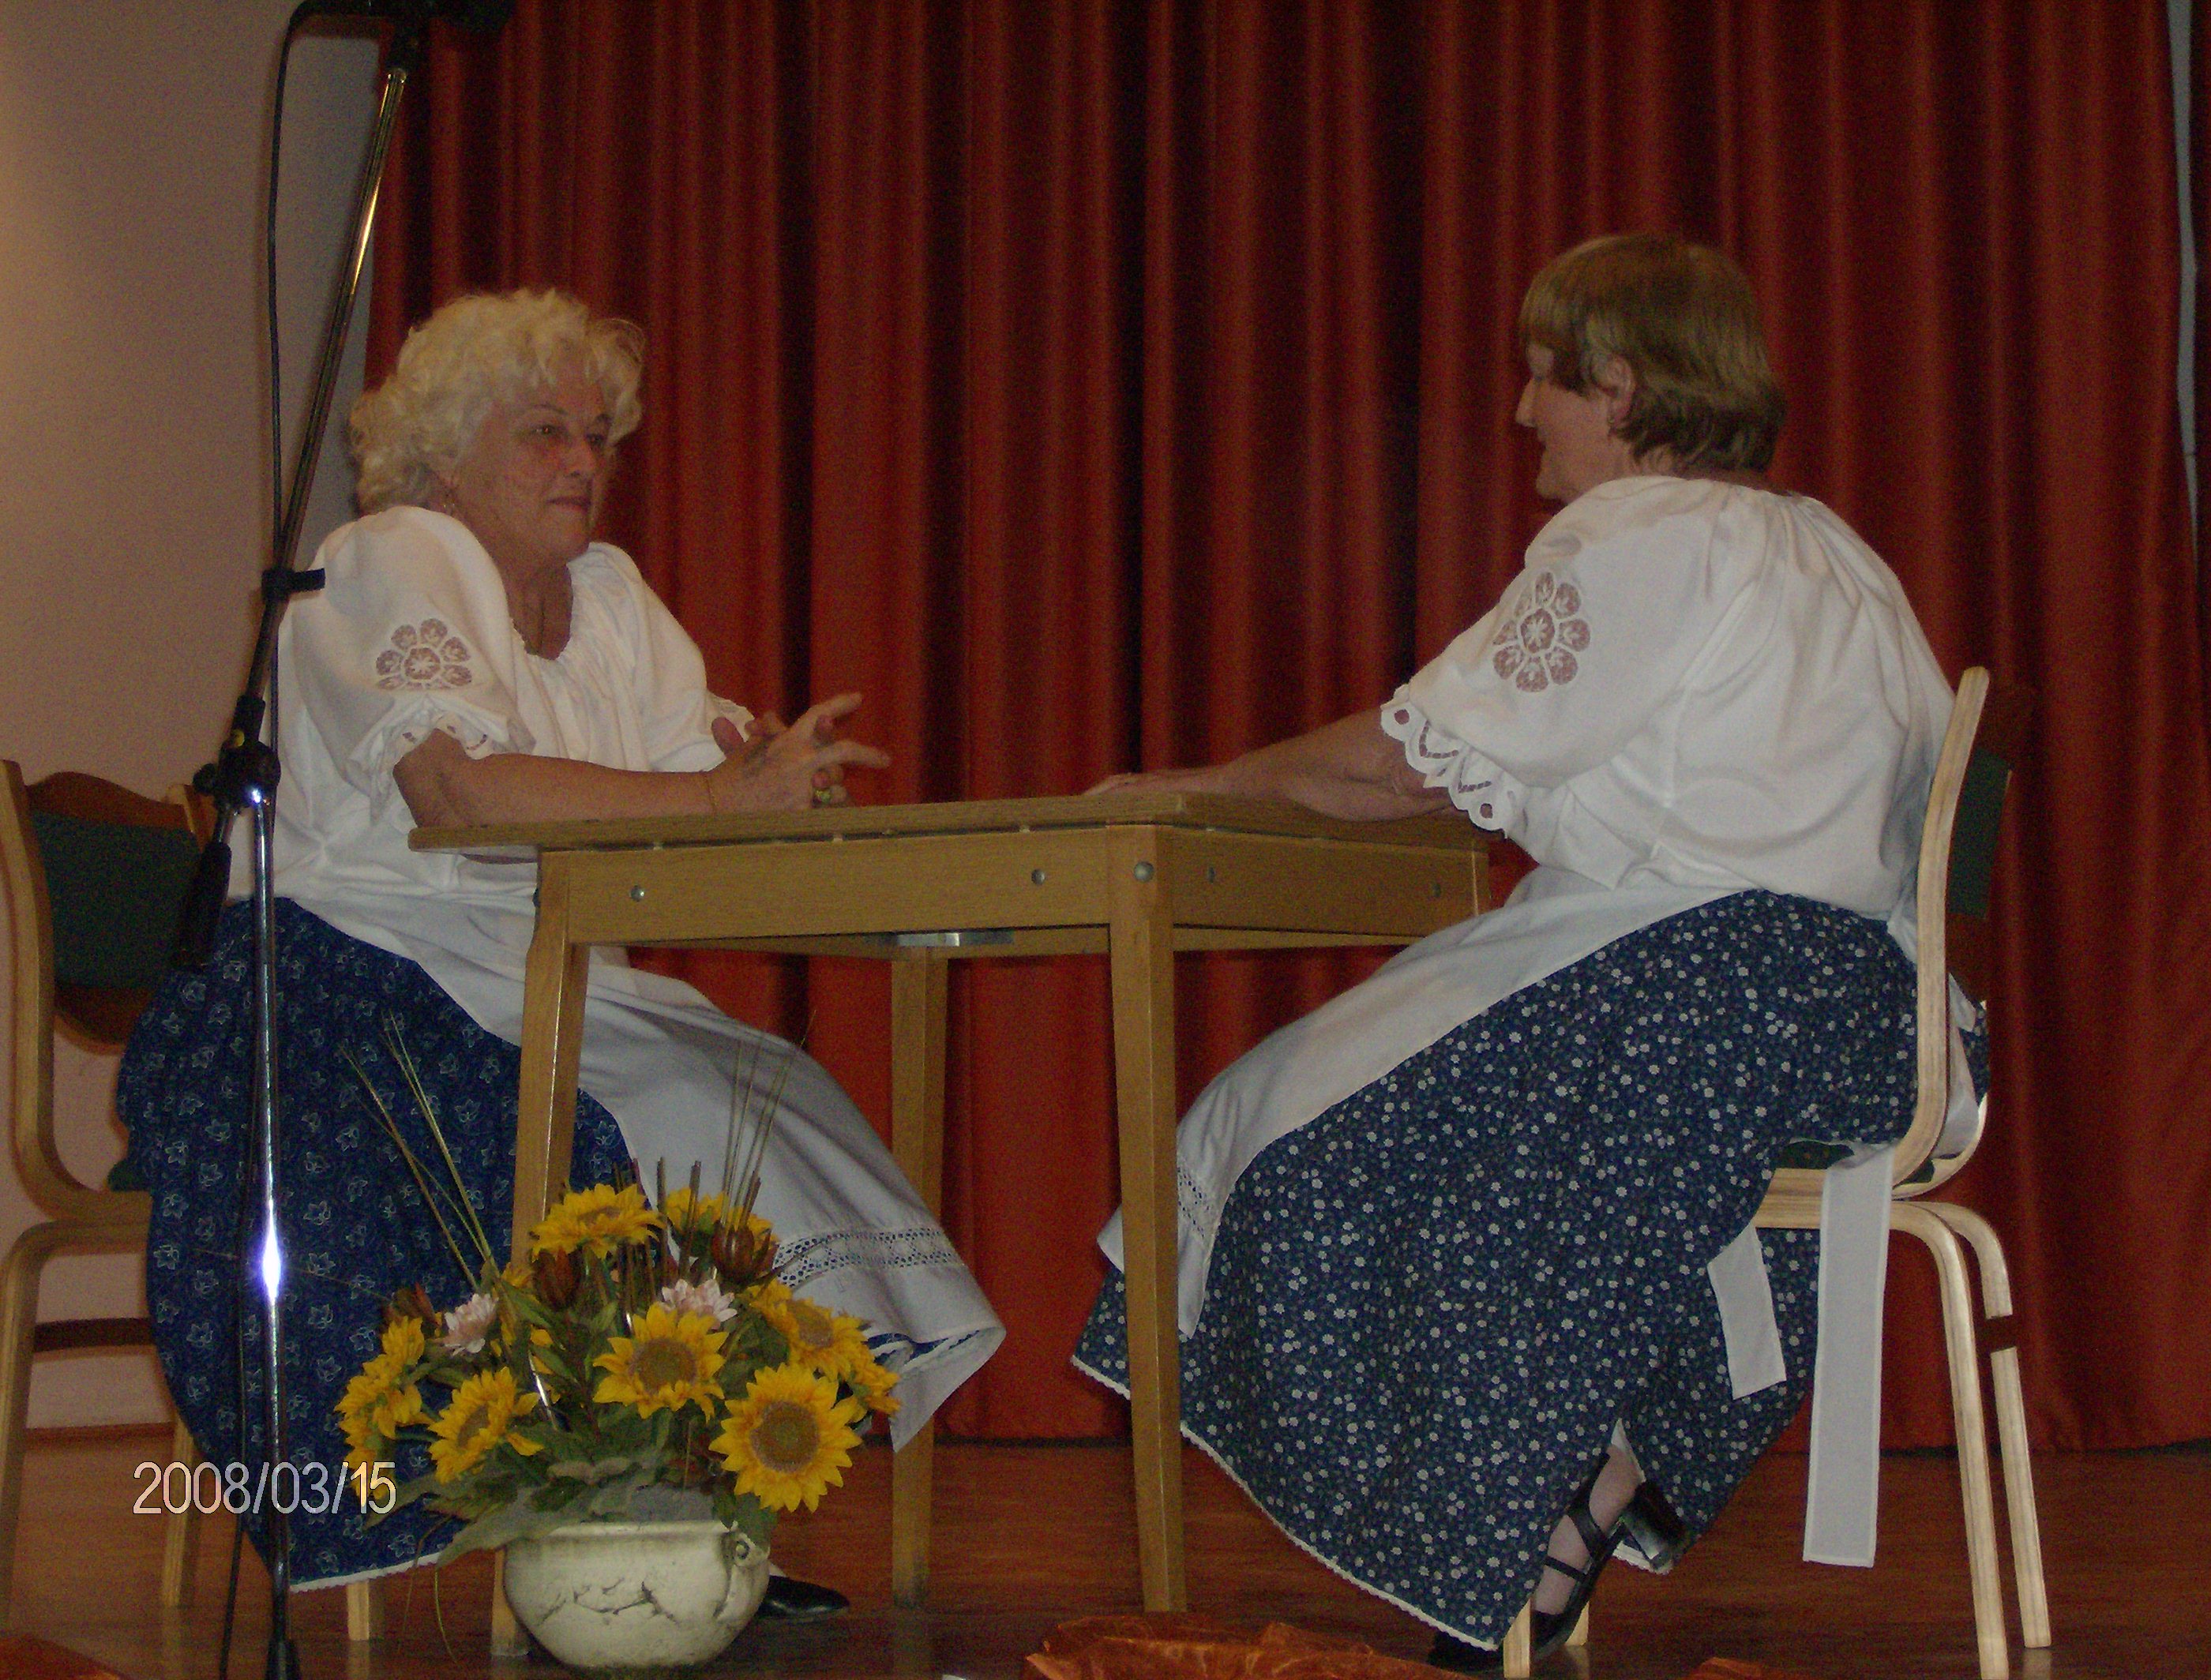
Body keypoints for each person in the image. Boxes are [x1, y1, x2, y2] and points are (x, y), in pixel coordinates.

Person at [1072, 233, 1969, 1667]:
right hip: (1868, 1028)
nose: (1519, 412)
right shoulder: (1835, 552)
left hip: (1701, 1002)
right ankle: (1577, 1494)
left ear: (1620, 388)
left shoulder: (1644, 534)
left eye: (1545, 378)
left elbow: (1407, 762)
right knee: (1403, 1119)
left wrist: (1201, 785)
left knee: (1280, 1138)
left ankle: (1489, 1527)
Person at [120, 288, 1002, 1595]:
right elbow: (456, 795)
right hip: (350, 974)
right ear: (443, 455)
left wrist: (771, 779)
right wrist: (723, 798)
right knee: (649, 1116)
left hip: (551, 972)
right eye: (544, 431)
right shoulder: (395, 555)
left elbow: (694, 776)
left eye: (599, 435)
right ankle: (597, 1529)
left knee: (759, 1096)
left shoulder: (610, 596)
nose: (585, 461)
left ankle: (674, 1523)